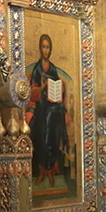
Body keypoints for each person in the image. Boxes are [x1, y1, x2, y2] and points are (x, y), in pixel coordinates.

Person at [26, 34, 71, 186]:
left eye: (48, 47)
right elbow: (32, 93)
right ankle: (42, 172)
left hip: (53, 107)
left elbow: (59, 90)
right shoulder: (37, 69)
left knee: (54, 131)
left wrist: (61, 89)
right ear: (40, 48)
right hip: (40, 108)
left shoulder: (52, 69)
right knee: (40, 134)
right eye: (44, 47)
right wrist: (43, 87)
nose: (46, 50)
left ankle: (51, 171)